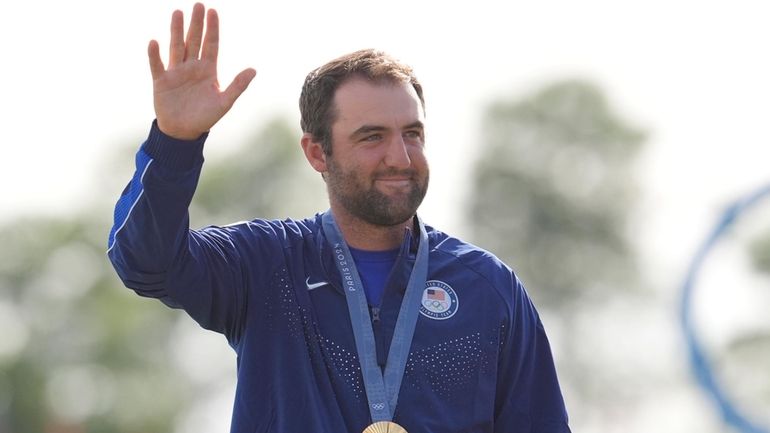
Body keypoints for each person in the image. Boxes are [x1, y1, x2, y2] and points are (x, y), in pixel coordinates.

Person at [107, 3, 571, 433]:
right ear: (316, 152)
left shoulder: (489, 289)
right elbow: (146, 262)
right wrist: (176, 143)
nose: (400, 157)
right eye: (372, 137)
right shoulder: (266, 265)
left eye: (412, 133)